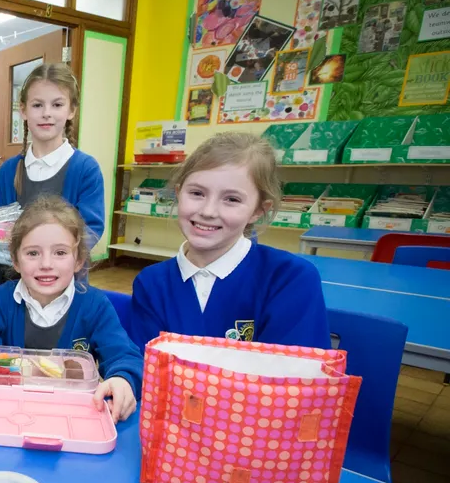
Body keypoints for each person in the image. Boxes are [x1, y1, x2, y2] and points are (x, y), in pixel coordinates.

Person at [0, 197, 141, 421]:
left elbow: (124, 353)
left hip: (71, 415)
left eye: (60, 253)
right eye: (32, 253)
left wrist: (123, 378)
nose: (46, 264)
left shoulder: (94, 305)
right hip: (10, 412)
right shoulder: (2, 299)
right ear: (15, 261)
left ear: (78, 261)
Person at [130, 132, 331, 349]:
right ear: (179, 194)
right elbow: (142, 368)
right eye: (197, 193)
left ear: (258, 211)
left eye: (232, 199)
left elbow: (295, 374)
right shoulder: (151, 283)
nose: (208, 211)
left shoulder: (290, 279)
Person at [0, 63, 105, 242]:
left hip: (65, 270)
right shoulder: (8, 170)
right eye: (37, 105)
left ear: (71, 111)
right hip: (13, 269)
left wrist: (55, 258)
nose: (47, 113)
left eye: (57, 104)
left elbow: (90, 231)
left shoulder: (85, 169)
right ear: (23, 110)